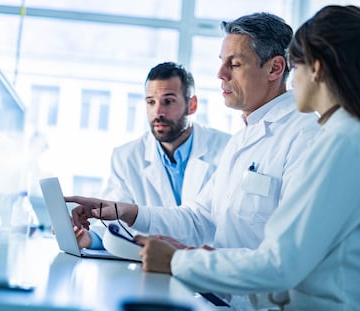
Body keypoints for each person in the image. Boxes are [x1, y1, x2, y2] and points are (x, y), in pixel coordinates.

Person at [67, 12, 321, 309]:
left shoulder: (305, 136)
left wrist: (186, 258)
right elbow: (198, 217)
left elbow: (288, 258)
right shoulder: (243, 138)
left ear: (275, 68)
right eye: (222, 62)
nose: (220, 74)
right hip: (226, 299)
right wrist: (123, 211)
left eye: (234, 64)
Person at [134, 5, 360, 310]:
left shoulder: (337, 140)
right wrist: (197, 258)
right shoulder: (336, 134)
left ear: (316, 68)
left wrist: (181, 261)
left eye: (296, 65)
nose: (293, 82)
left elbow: (281, 263)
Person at [74, 61, 232, 249]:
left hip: (206, 268)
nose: (158, 112)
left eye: (168, 101)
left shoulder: (227, 150)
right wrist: (88, 238)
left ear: (192, 105)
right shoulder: (126, 157)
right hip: (150, 267)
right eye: (151, 102)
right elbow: (114, 224)